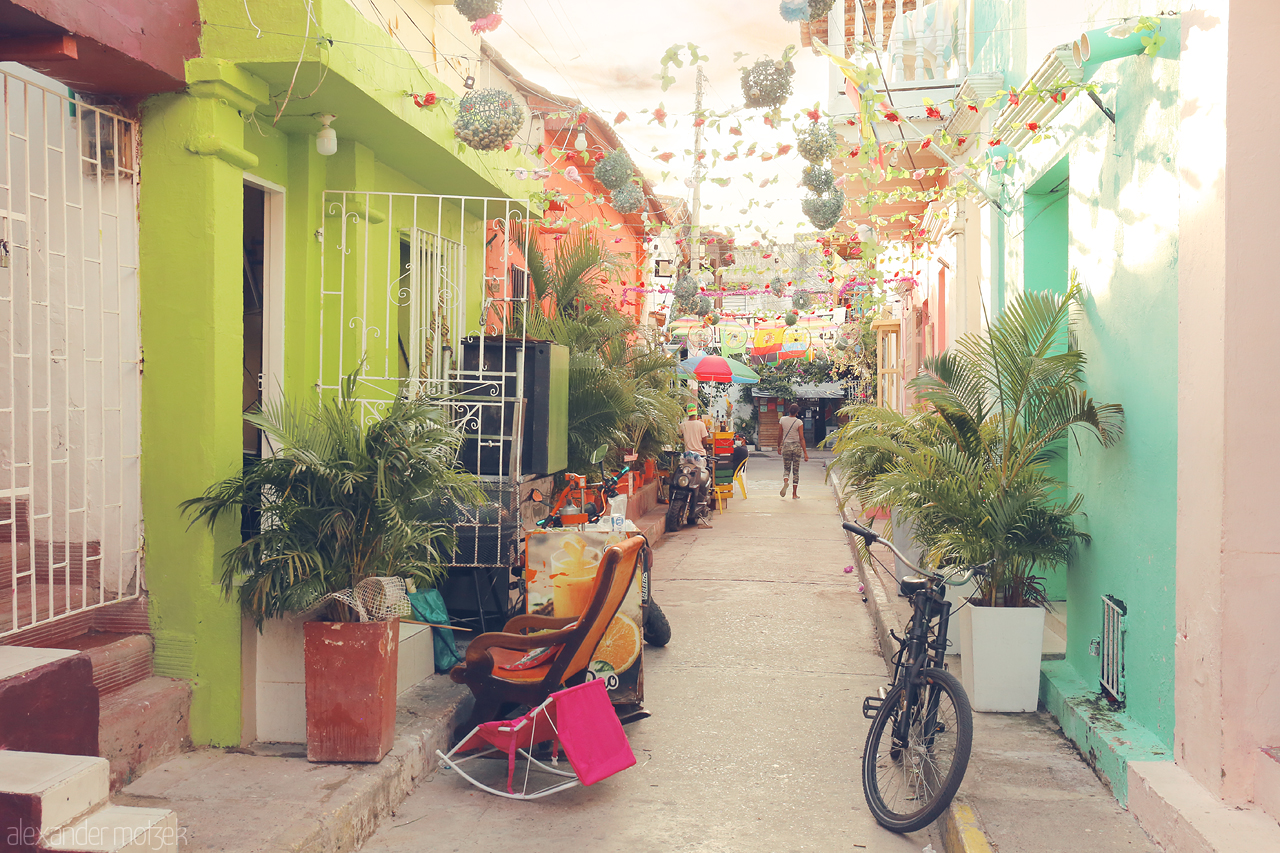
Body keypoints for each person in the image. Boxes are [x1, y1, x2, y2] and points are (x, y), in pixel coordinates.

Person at [776, 402, 808, 499]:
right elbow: (801, 438)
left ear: (789, 410)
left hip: (786, 446)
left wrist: (779, 446)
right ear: (797, 412)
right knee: (796, 470)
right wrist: (805, 452)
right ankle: (794, 494)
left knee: (786, 468)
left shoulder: (782, 420)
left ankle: (786, 481)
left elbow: (780, 435)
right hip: (797, 447)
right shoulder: (799, 422)